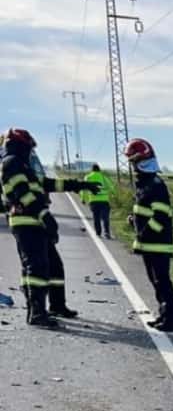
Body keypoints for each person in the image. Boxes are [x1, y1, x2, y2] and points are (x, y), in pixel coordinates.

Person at [0, 128, 98, 327]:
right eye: (28, 148)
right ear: (20, 146)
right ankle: (36, 312)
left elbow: (48, 183)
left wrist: (79, 186)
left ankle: (57, 306)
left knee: (54, 266)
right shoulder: (12, 163)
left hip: (36, 221)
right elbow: (22, 194)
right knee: (35, 268)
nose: (30, 151)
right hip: (26, 222)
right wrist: (44, 215)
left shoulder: (24, 166)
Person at [124, 137, 173, 331]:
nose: (133, 166)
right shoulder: (146, 183)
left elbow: (161, 215)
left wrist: (145, 234)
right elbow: (146, 210)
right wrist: (134, 219)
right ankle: (164, 316)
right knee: (156, 282)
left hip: (158, 244)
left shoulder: (155, 184)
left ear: (143, 161)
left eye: (134, 162)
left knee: (162, 281)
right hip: (150, 244)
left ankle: (170, 320)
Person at [81, 163, 114, 238]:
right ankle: (107, 232)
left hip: (93, 201)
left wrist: (83, 198)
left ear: (92, 170)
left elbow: (84, 189)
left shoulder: (88, 177)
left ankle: (98, 233)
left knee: (96, 217)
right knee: (105, 217)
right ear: (99, 169)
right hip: (104, 201)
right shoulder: (103, 177)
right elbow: (111, 187)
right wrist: (113, 194)